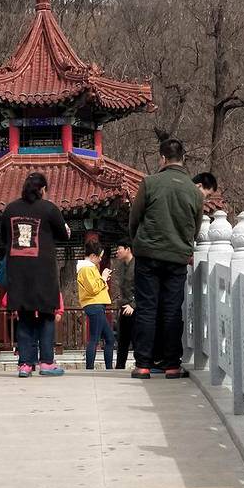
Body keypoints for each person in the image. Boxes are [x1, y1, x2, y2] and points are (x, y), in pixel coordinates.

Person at [129, 137, 203, 380]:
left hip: (148, 254)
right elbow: (195, 227)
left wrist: (138, 242)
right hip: (177, 257)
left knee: (147, 309)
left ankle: (143, 365)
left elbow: (135, 218)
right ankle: (172, 364)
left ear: (162, 158)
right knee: (172, 310)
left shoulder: (150, 183)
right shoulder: (194, 191)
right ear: (183, 158)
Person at [1, 172, 70, 378]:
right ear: (43, 189)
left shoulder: (10, 209)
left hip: (18, 271)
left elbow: (4, 237)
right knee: (47, 314)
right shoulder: (49, 209)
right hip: (43, 271)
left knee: (24, 315)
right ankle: (46, 362)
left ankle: (25, 364)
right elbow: (63, 234)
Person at [77, 239, 115, 370]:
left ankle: (107, 368)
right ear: (93, 255)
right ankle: (90, 368)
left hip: (96, 305)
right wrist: (103, 278)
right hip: (94, 305)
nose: (100, 259)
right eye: (99, 256)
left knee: (109, 338)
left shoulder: (88, 268)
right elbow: (93, 289)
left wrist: (103, 280)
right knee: (95, 338)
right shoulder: (86, 269)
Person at [114, 238, 135, 370]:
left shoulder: (137, 265)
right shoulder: (121, 266)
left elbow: (142, 287)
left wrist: (133, 304)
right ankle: (120, 366)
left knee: (137, 338)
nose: (117, 252)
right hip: (123, 306)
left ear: (128, 249)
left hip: (135, 307)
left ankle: (142, 364)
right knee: (122, 339)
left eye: (119, 249)